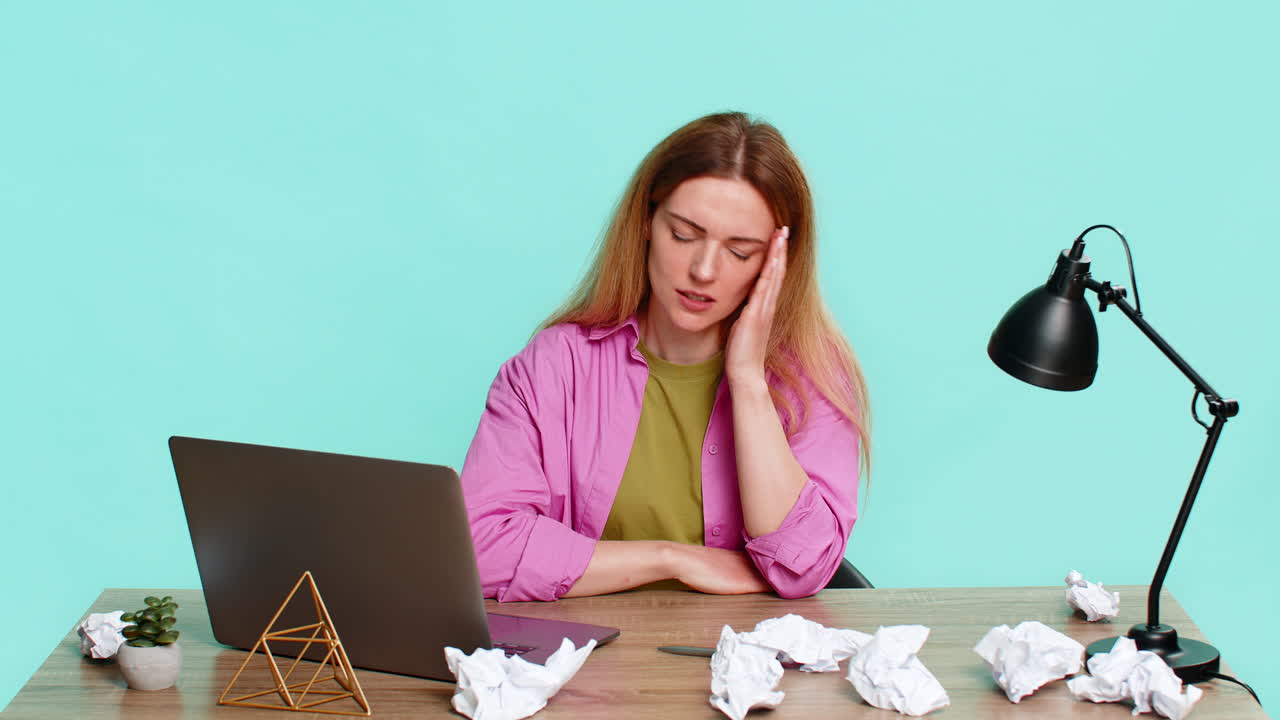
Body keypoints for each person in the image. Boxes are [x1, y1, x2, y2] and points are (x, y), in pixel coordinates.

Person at [459, 111, 869, 602]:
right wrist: (674, 558)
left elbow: (802, 567)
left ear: (775, 261)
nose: (703, 270)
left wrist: (747, 382)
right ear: (647, 223)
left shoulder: (813, 379)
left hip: (748, 668)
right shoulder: (555, 364)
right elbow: (478, 549)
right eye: (684, 234)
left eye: (740, 252)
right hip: (589, 664)